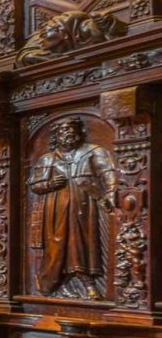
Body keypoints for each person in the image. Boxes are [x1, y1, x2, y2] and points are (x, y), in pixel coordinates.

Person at [31, 116, 117, 300]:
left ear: (80, 132)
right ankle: (51, 282)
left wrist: (111, 192)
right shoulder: (48, 159)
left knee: (83, 243)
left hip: (85, 205)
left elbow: (108, 173)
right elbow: (35, 185)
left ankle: (88, 283)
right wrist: (49, 184)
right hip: (56, 209)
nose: (68, 132)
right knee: (57, 245)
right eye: (63, 130)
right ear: (56, 136)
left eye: (72, 128)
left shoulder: (94, 151)